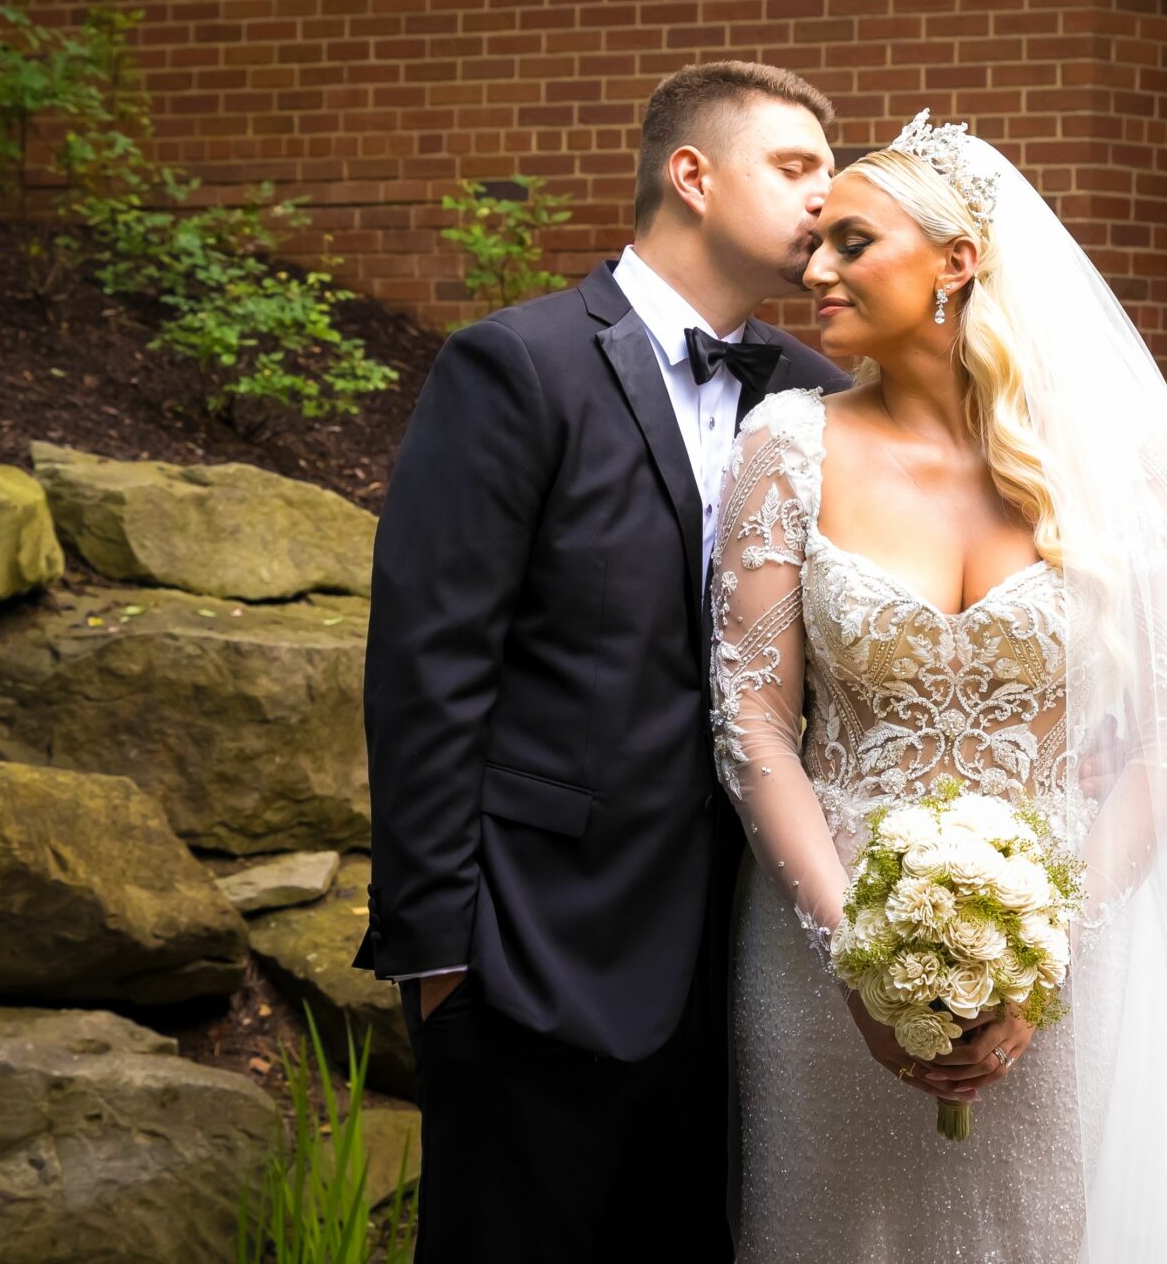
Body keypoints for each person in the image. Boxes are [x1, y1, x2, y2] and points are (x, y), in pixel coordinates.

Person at [709, 111, 1167, 1261]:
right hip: (824, 936)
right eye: (813, 244)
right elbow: (754, 724)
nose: (811, 269)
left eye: (850, 242)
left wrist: (1048, 952)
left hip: (1070, 936)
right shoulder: (784, 445)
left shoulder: (1116, 464)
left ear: (955, 262)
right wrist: (849, 952)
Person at [355, 61, 850, 1263]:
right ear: (691, 174)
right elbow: (427, 668)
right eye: (795, 169)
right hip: (534, 953)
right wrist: (438, 958)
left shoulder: (822, 396)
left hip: (745, 967)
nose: (825, 203)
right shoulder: (517, 367)